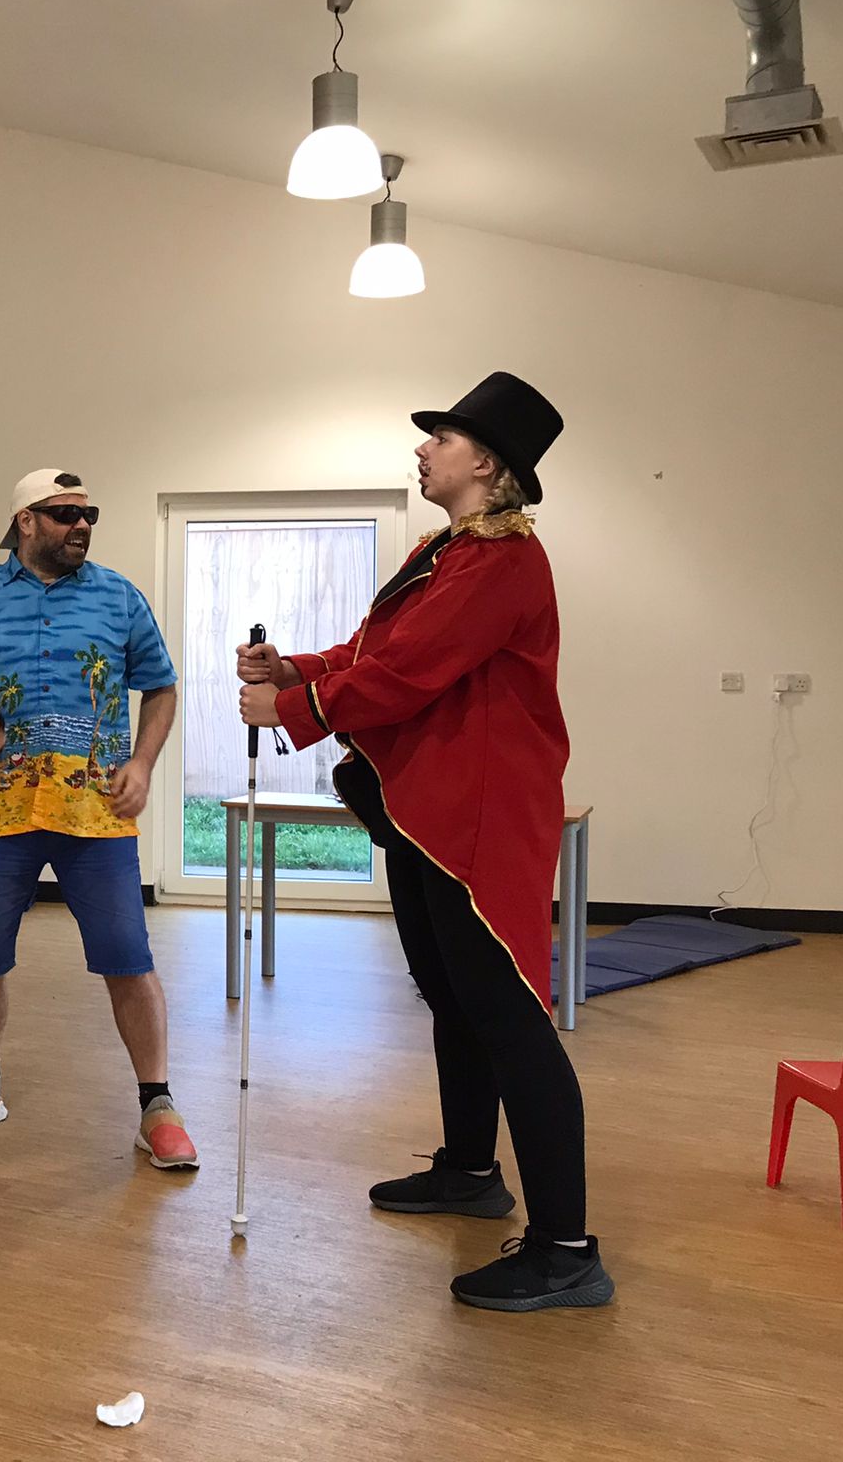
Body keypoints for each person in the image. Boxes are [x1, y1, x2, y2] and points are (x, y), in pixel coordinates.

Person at [239, 372, 613, 1312]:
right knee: (450, 995)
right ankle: (468, 1170)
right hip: (424, 812)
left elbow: (408, 673)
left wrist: (292, 705)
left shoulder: (505, 562)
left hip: (475, 821)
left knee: (513, 1020)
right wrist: (297, 667)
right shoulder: (445, 551)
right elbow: (374, 652)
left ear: (486, 461)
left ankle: (566, 1249)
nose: (422, 449)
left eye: (438, 438)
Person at [0, 469, 197, 1170]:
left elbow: (160, 688)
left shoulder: (118, 596)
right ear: (26, 522)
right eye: (64, 513)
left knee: (128, 958)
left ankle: (156, 1104)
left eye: (88, 514)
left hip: (96, 811)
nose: (81, 524)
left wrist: (144, 763)